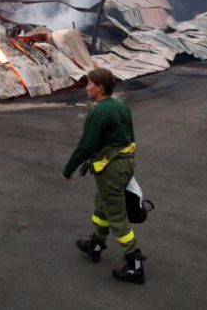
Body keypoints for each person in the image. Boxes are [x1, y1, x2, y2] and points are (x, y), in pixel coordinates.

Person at [62, 68, 145, 284]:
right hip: (124, 165)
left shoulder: (98, 112)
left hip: (111, 169)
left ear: (99, 87)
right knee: (102, 207)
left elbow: (87, 145)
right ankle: (96, 245)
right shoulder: (122, 107)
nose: (86, 88)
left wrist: (69, 168)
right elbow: (130, 137)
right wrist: (130, 163)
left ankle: (134, 263)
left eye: (89, 84)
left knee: (116, 215)